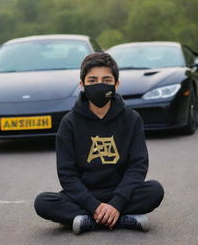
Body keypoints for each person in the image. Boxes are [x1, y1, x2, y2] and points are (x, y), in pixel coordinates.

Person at [34, 52, 164, 235]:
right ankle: (123, 219)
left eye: (106, 79)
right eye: (92, 80)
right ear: (82, 84)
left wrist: (117, 203)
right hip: (83, 195)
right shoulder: (69, 123)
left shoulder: (132, 119)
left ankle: (87, 221)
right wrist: (93, 205)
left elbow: (137, 167)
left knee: (154, 190)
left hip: (120, 192)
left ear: (117, 84)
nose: (99, 85)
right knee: (43, 202)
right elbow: (67, 174)